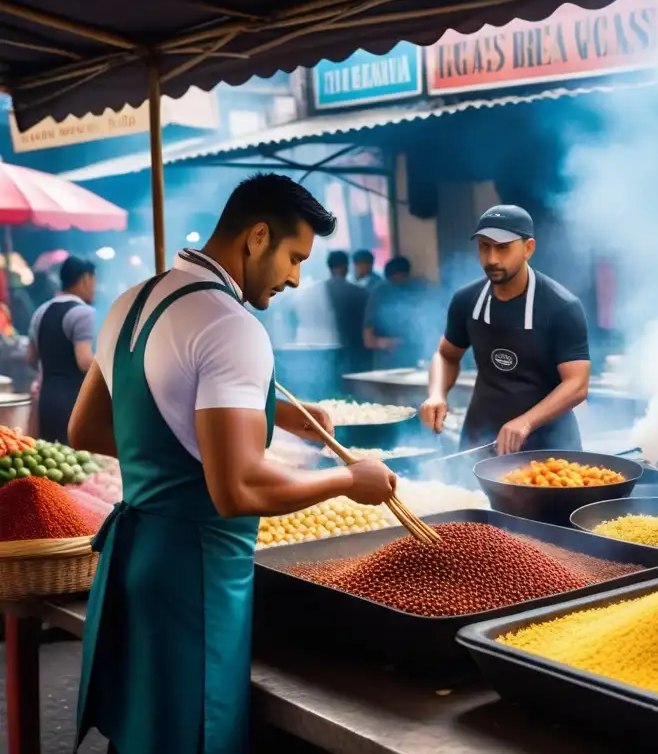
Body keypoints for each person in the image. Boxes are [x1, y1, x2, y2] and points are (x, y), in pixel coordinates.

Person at [69, 174, 397, 754]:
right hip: (197, 573)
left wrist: (246, 423)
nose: (296, 277)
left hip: (138, 558)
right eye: (294, 257)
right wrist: (351, 479)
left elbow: (89, 426)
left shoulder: (131, 299)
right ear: (257, 237)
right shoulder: (231, 325)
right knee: (197, 734)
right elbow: (238, 487)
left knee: (146, 734)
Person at [420, 205, 590, 455]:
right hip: (480, 438)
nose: (492, 259)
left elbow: (577, 383)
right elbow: (446, 355)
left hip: (549, 445)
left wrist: (526, 421)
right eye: (484, 247)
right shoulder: (467, 300)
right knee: (465, 494)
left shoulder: (561, 307)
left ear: (528, 248)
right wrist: (436, 394)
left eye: (502, 247)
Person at [27, 255, 97, 444]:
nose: (95, 289)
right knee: (78, 465)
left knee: (53, 464)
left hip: (46, 401)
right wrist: (114, 362)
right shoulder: (84, 313)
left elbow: (31, 358)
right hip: (75, 403)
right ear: (85, 279)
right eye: (94, 281)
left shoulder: (40, 312)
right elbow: (84, 362)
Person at [363, 256, 425, 370]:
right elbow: (368, 340)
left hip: (412, 361)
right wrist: (386, 343)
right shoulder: (379, 294)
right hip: (386, 364)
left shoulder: (416, 289)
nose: (400, 282)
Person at [325, 250, 370, 353]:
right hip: (354, 349)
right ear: (345, 267)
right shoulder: (360, 292)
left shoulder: (319, 291)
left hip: (328, 348)